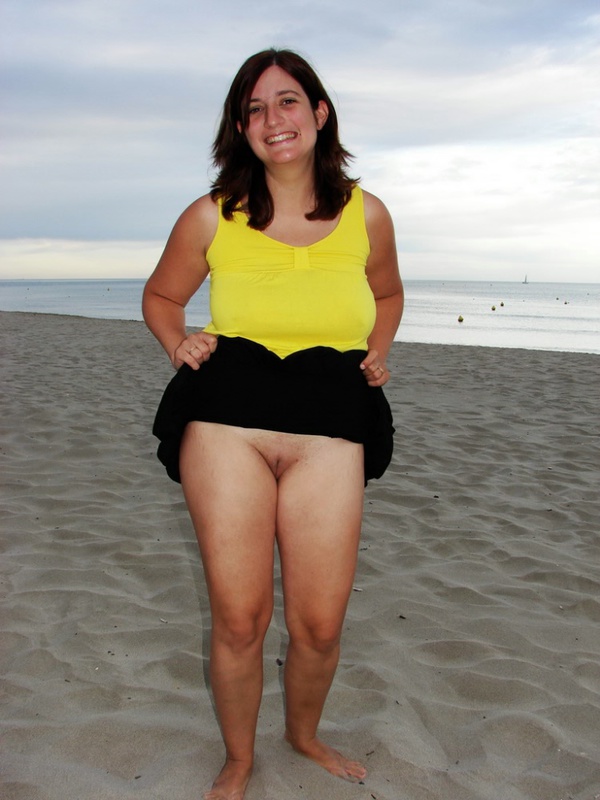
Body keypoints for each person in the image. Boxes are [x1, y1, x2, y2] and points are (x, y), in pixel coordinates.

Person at [142, 47, 404, 800]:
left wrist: (379, 349)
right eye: (254, 109)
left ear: (319, 113)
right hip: (228, 421)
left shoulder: (367, 213)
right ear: (240, 128)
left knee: (319, 624)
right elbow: (162, 297)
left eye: (287, 101)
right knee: (240, 618)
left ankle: (303, 735)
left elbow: (387, 295)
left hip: (331, 420)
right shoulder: (211, 214)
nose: (272, 119)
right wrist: (177, 341)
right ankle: (238, 759)